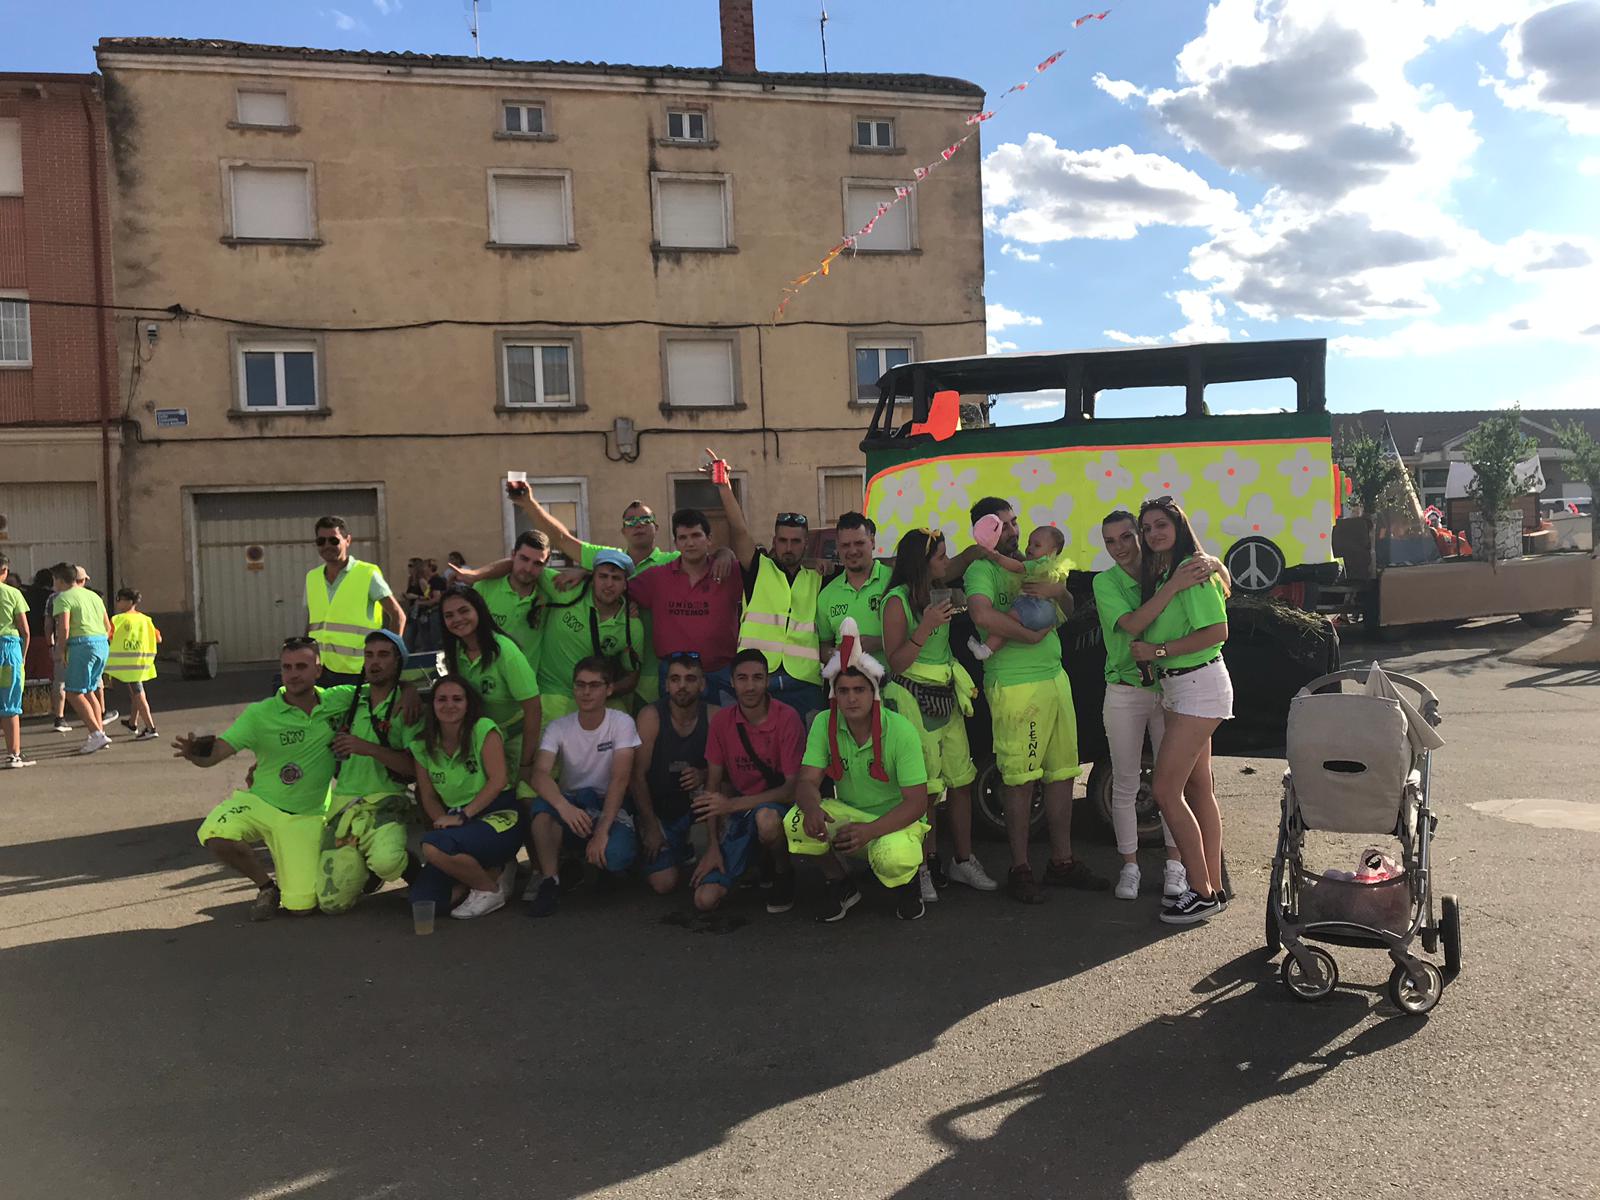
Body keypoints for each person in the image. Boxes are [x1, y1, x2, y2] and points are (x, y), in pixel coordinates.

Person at [963, 499, 1108, 902]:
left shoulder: (1042, 565)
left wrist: (1058, 591)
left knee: (1062, 774)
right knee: (1020, 779)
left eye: (1015, 523)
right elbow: (980, 615)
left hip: (1055, 679)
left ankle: (1062, 862)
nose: (1014, 531)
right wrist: (1026, 635)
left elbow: (1068, 610)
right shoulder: (982, 569)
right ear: (986, 530)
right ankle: (1020, 868)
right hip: (1015, 686)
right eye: (1005, 525)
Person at [1093, 510, 1227, 902]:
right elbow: (1133, 625)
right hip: (1130, 689)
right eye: (1109, 541)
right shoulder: (1111, 582)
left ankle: (1180, 870)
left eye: (1127, 537)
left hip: (1176, 687)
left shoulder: (1166, 569)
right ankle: (1131, 866)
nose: (1120, 547)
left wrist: (1213, 563)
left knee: (1178, 786)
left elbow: (1220, 600)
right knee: (1129, 781)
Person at [1130, 497, 1235, 925]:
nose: (1154, 534)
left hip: (1199, 685)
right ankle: (1213, 886)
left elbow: (1218, 631)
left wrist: (1157, 650)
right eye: (1147, 528)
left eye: (1161, 525)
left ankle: (1201, 891)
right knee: (1197, 790)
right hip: (1181, 688)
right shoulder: (1171, 572)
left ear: (1178, 526)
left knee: (1165, 791)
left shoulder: (1191, 571)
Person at [179, 637, 337, 919]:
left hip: (306, 815)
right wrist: (197, 755)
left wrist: (409, 693)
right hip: (260, 804)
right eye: (287, 667)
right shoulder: (260, 714)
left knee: (302, 908)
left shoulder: (339, 700)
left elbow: (380, 694)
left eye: (302, 666)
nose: (294, 674)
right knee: (216, 833)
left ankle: (306, 873)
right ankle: (266, 886)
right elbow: (216, 754)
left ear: (318, 670)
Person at [786, 619, 932, 922]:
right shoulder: (824, 723)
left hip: (895, 823)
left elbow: (917, 803)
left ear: (874, 693)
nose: (851, 698)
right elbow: (806, 781)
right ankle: (841, 883)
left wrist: (870, 831)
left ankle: (908, 885)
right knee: (797, 821)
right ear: (834, 694)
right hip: (851, 817)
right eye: (843, 690)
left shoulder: (900, 730)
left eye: (859, 690)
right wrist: (812, 807)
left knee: (893, 858)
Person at [880, 528, 998, 899]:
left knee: (961, 781)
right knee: (926, 789)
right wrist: (926, 627)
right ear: (922, 563)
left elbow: (959, 563)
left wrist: (978, 551)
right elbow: (896, 662)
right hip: (912, 699)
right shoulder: (897, 601)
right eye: (939, 557)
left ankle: (961, 860)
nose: (946, 563)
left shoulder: (937, 588)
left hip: (947, 694)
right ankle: (924, 866)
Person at [706, 449, 825, 725]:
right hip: (759, 678)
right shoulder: (759, 569)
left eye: (796, 542)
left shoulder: (817, 576)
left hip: (804, 681)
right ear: (774, 540)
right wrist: (724, 486)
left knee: (803, 755)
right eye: (783, 540)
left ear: (806, 543)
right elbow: (740, 531)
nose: (789, 547)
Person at [316, 630, 425, 914]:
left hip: (386, 800)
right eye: (369, 655)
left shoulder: (407, 705)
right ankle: (367, 867)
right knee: (331, 903)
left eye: (384, 655)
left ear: (398, 662)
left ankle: (414, 873)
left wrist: (367, 747)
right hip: (344, 805)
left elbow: (413, 769)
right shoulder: (349, 698)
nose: (374, 662)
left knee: (388, 861)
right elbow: (303, 699)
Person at [526, 657, 642, 917]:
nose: (586, 692)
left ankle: (605, 865)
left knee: (615, 856)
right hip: (575, 803)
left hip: (609, 803)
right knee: (542, 813)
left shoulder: (621, 722)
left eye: (594, 685)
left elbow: (620, 778)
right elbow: (540, 774)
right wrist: (563, 807)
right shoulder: (559, 727)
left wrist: (602, 831)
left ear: (609, 689)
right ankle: (550, 881)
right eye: (580, 685)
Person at [693, 648, 804, 914]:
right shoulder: (722, 721)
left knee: (766, 820)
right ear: (731, 682)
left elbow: (791, 790)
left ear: (767, 681)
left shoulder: (787, 718)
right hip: (742, 809)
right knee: (704, 900)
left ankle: (782, 871)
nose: (750, 686)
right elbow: (713, 787)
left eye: (757, 678)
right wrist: (712, 847)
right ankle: (754, 859)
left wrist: (731, 806)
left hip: (779, 806)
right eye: (742, 678)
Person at [409, 675, 525, 921]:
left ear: (468, 704)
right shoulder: (422, 744)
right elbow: (427, 794)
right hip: (457, 821)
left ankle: (489, 889)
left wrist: (464, 816)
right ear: (433, 704)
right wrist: (441, 819)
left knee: (433, 846)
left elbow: (498, 780)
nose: (449, 705)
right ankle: (490, 872)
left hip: (497, 812)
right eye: (441, 699)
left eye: (457, 699)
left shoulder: (483, 729)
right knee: (424, 901)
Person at [628, 508, 744, 703]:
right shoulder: (657, 577)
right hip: (673, 675)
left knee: (725, 731)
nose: (690, 543)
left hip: (720, 672)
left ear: (709, 539)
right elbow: (613, 590)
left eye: (696, 535)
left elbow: (763, 566)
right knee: (676, 732)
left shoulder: (728, 571)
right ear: (676, 543)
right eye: (683, 538)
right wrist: (584, 575)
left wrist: (727, 553)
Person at [440, 585, 540, 786]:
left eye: (464, 611)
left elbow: (534, 709)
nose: (457, 619)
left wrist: (526, 764)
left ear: (479, 610)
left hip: (513, 743)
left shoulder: (505, 651)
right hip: (477, 742)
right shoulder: (455, 652)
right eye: (449, 615)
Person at [633, 652, 711, 898]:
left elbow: (729, 772)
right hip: (658, 808)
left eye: (690, 679)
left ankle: (718, 848)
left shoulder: (715, 716)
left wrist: (703, 773)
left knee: (723, 787)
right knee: (664, 883)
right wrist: (651, 826)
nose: (682, 686)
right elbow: (636, 777)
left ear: (702, 683)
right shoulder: (651, 717)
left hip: (694, 804)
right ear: (666, 684)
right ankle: (654, 843)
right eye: (675, 679)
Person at [536, 549, 643, 721]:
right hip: (553, 694)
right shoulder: (568, 588)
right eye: (603, 576)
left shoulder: (632, 626)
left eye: (616, 578)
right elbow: (524, 568)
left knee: (622, 722)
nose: (608, 584)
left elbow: (632, 677)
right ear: (593, 578)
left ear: (625, 584)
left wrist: (605, 690)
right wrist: (476, 576)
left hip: (597, 701)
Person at [304, 515, 406, 687]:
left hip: (358, 672)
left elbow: (398, 616)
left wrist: (389, 661)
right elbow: (311, 622)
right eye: (321, 541)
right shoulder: (312, 577)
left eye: (333, 540)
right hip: (321, 670)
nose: (327, 546)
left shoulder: (367, 573)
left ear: (347, 541)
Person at [968, 523, 1072, 660]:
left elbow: (1018, 567)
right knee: (1011, 623)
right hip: (1047, 613)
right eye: (1029, 543)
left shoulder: (1040, 563)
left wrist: (997, 557)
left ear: (1052, 551)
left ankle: (986, 649)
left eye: (1037, 545)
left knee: (1007, 621)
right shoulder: (1054, 567)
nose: (1030, 548)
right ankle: (986, 649)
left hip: (1036, 607)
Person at [472, 529, 564, 673]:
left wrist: (583, 572)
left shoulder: (550, 595)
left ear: (546, 563)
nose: (528, 569)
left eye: (537, 564)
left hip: (528, 687)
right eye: (524, 559)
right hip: (486, 681)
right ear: (513, 554)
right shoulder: (483, 588)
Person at [50, 562, 113, 754]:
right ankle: (99, 731)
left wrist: (60, 650)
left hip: (80, 645)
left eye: (54, 580)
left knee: (73, 692)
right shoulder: (94, 596)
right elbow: (107, 625)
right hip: (101, 643)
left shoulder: (62, 598)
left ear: (60, 580)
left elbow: (64, 627)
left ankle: (96, 734)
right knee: (90, 690)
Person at [817, 513, 893, 661]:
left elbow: (918, 635)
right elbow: (823, 646)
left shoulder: (894, 581)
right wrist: (836, 654)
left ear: (872, 542)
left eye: (859, 543)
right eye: (845, 545)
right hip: (847, 682)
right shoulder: (826, 595)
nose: (852, 551)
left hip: (892, 682)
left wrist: (879, 643)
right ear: (838, 548)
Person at [107, 587, 162, 741]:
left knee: (138, 694)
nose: (117, 603)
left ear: (128, 601)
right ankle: (133, 722)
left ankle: (150, 727)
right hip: (142, 661)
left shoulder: (118, 619)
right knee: (135, 693)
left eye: (119, 599)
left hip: (127, 664)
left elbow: (108, 635)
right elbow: (158, 638)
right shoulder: (146, 619)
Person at [0, 554, 34, 769]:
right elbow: (25, 631)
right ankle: (14, 754)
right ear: (4, 571)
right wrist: (22, 658)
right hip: (8, 648)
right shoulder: (13, 594)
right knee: (10, 704)